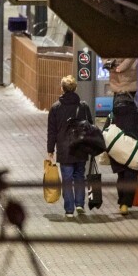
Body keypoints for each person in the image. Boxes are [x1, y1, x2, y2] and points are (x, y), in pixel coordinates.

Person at [46, 75, 92, 218]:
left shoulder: (55, 108)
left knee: (67, 178)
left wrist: (50, 149)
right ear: (75, 88)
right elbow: (90, 125)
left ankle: (69, 210)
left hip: (64, 148)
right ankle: (79, 204)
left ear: (62, 89)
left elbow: (52, 130)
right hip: (80, 147)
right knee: (79, 176)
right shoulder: (83, 106)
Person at [104, 93, 138, 214]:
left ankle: (122, 201)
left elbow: (105, 132)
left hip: (117, 151)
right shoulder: (137, 114)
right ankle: (125, 204)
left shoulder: (112, 114)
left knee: (121, 177)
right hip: (132, 150)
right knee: (130, 177)